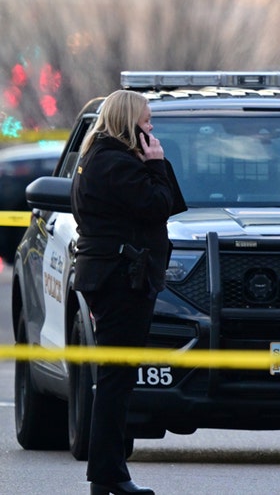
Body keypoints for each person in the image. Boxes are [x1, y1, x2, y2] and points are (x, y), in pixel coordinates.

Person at [71, 90, 186, 495]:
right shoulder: (114, 162)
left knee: (116, 378)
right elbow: (159, 204)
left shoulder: (101, 158)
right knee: (116, 380)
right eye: (147, 121)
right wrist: (156, 164)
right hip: (121, 280)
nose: (151, 129)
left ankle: (109, 473)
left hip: (115, 277)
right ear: (127, 122)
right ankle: (109, 476)